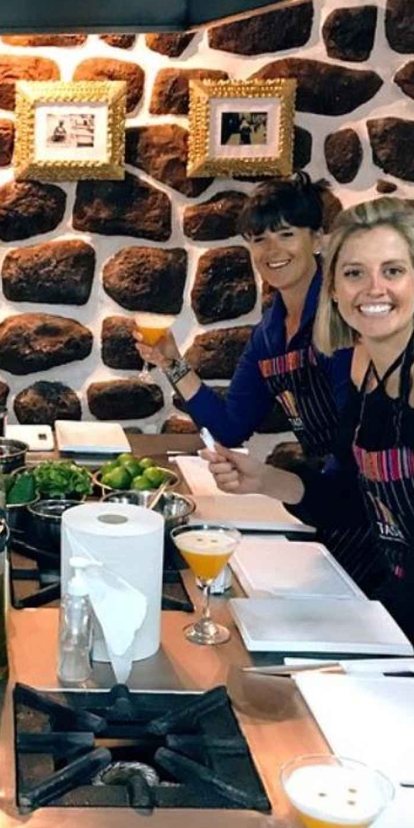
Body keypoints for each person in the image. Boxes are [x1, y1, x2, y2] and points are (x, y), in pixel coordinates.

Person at [206, 197, 414, 686]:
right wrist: (264, 479)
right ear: (334, 288)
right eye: (354, 274)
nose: (374, 289)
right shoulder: (361, 362)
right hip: (398, 604)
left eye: (392, 271)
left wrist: (356, 651)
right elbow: (352, 501)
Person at [138, 174, 384, 588]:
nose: (271, 251)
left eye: (286, 234)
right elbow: (231, 426)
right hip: (327, 502)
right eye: (258, 239)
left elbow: (358, 439)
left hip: (372, 511)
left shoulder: (344, 316)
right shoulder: (270, 332)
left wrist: (285, 484)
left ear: (319, 239)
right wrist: (172, 364)